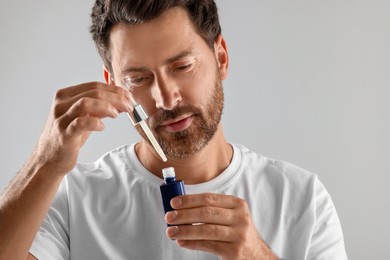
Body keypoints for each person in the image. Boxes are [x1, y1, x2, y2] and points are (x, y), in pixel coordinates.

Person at [0, 0, 348, 259]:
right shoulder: (75, 199)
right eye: (138, 79)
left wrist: (260, 256)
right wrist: (44, 164)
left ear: (221, 57)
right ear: (112, 83)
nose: (165, 98)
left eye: (182, 66)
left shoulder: (303, 199)